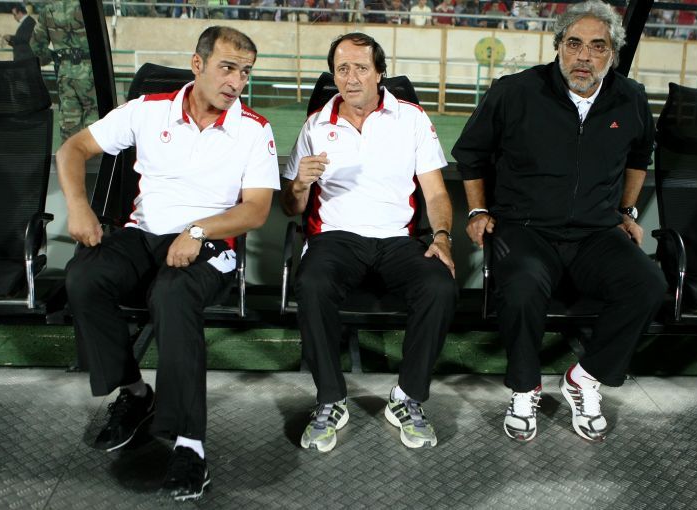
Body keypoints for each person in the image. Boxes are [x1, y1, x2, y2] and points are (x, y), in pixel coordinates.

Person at [57, 26, 279, 500]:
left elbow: (256, 210)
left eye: (245, 72)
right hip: (143, 234)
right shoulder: (148, 110)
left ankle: (189, 446)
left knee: (173, 294)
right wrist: (78, 206)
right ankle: (136, 395)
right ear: (198, 64)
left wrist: (197, 231)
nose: (236, 82)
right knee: (83, 276)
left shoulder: (253, 129)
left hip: (211, 244)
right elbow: (72, 149)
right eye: (227, 68)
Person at [452, 0, 666, 443]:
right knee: (522, 286)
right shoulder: (515, 91)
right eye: (574, 44)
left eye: (597, 46)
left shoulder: (631, 98)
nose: (584, 56)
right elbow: (471, 153)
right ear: (558, 47)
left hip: (595, 233)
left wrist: (627, 212)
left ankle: (584, 379)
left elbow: (638, 157)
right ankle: (524, 388)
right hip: (525, 229)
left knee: (648, 284)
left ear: (612, 54)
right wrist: (477, 210)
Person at [281, 33, 457, 452]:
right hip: (335, 237)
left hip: (397, 238)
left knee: (439, 284)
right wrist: (300, 184)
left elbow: (435, 193)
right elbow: (290, 206)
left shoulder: (412, 118)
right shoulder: (316, 124)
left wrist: (442, 237)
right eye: (342, 69)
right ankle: (330, 399)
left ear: (380, 73)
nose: (351, 77)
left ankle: (407, 397)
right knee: (312, 283)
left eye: (361, 68)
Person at [30, 0, 97, 142]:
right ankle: (92, 155)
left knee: (69, 123)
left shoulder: (48, 9)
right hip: (90, 71)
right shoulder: (89, 6)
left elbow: (36, 46)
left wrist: (53, 57)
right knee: (95, 119)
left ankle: (70, 154)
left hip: (65, 72)